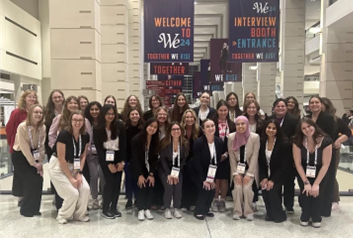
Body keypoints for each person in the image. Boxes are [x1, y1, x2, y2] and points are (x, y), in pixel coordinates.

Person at [48, 96, 92, 210]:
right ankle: (61, 209)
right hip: (62, 158)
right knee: (65, 189)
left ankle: (78, 210)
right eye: (70, 103)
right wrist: (55, 148)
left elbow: (88, 139)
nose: (73, 105)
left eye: (75, 103)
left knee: (81, 186)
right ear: (66, 105)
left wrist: (83, 153)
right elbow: (51, 135)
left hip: (76, 160)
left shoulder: (85, 121)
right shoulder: (59, 118)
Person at [292, 117, 332, 228]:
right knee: (305, 193)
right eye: (304, 128)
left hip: (320, 171)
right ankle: (305, 213)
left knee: (317, 193)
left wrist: (316, 184)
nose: (307, 130)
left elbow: (326, 164)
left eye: (309, 126)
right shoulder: (297, 141)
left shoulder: (326, 141)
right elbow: (298, 163)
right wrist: (306, 182)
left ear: (313, 126)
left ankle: (316, 215)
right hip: (303, 171)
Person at [5, 90, 38, 206]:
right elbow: (9, 129)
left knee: (31, 173)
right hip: (18, 149)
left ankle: (29, 196)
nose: (32, 99)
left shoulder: (36, 112)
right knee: (20, 174)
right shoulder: (17, 113)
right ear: (24, 98)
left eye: (34, 97)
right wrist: (13, 144)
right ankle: (21, 197)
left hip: (33, 149)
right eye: (30, 97)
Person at [93, 104, 126, 219]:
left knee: (117, 183)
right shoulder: (97, 128)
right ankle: (105, 208)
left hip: (118, 155)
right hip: (105, 157)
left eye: (112, 114)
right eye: (108, 114)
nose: (110, 116)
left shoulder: (120, 125)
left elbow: (123, 144)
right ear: (103, 114)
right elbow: (99, 149)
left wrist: (122, 161)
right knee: (109, 182)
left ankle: (114, 207)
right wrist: (108, 164)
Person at [12, 104, 45, 217]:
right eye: (36, 112)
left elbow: (41, 146)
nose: (38, 115)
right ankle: (26, 209)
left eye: (40, 112)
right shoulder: (22, 127)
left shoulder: (42, 127)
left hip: (34, 154)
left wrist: (40, 162)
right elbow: (24, 146)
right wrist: (33, 164)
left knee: (39, 181)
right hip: (21, 156)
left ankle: (35, 208)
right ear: (30, 113)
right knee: (30, 181)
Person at [268, 98, 299, 213]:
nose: (280, 108)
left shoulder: (294, 120)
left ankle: (289, 205)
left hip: (289, 155)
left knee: (289, 181)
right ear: (274, 108)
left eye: (283, 106)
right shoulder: (270, 119)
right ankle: (277, 204)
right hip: (274, 155)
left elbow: (297, 136)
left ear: (287, 108)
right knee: (276, 180)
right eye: (278, 106)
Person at [307, 96, 336, 217]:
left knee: (325, 182)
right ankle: (311, 208)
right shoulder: (307, 118)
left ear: (321, 104)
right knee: (312, 180)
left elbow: (331, 136)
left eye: (316, 102)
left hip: (325, 152)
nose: (314, 104)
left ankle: (324, 210)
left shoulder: (328, 118)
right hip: (310, 153)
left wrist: (318, 142)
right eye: (312, 103)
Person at [321, 97, 351, 210]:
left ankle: (334, 199)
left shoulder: (336, 120)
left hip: (332, 150)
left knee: (331, 174)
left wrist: (338, 141)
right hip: (317, 151)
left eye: (320, 104)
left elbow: (347, 133)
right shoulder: (314, 119)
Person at [192, 119, 225, 220]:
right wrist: (204, 179)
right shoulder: (198, 142)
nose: (211, 128)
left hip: (211, 172)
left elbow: (218, 160)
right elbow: (197, 163)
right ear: (203, 129)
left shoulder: (219, 141)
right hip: (197, 171)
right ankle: (198, 210)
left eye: (212, 126)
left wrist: (212, 178)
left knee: (212, 189)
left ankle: (206, 209)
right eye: (208, 126)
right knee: (205, 188)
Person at [228, 116, 260, 221]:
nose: (240, 126)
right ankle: (237, 211)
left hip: (250, 168)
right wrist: (235, 174)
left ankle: (248, 211)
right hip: (237, 169)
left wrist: (249, 174)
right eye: (238, 124)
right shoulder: (231, 137)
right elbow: (232, 157)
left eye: (243, 124)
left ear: (247, 125)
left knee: (246, 188)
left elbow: (255, 156)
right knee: (237, 188)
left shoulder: (255, 137)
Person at [259, 119, 291, 223]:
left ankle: (279, 214)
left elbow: (284, 165)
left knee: (272, 191)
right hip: (266, 174)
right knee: (264, 188)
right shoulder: (262, 142)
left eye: (274, 128)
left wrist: (272, 180)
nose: (271, 130)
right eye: (269, 128)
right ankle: (270, 213)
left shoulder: (284, 144)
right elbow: (261, 163)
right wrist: (264, 177)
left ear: (278, 130)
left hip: (280, 175)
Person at [130, 118, 159, 221]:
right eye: (151, 126)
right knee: (142, 185)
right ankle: (140, 209)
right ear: (146, 126)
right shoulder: (136, 140)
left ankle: (147, 208)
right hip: (137, 167)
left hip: (149, 168)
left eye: (155, 127)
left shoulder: (155, 140)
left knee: (150, 184)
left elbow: (155, 158)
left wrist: (151, 174)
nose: (152, 129)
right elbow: (135, 159)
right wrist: (140, 175)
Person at [159, 122, 188, 219]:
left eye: (178, 129)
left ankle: (176, 208)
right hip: (165, 169)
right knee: (169, 186)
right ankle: (167, 208)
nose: (176, 131)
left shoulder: (184, 143)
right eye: (173, 129)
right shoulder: (164, 142)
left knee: (178, 187)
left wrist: (177, 172)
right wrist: (168, 174)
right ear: (169, 131)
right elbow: (162, 159)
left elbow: (184, 159)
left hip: (178, 169)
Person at [211, 100, 236, 212]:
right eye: (221, 110)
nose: (223, 112)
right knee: (216, 178)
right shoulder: (212, 123)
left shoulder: (232, 124)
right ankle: (215, 200)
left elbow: (234, 141)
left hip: (227, 155)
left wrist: (226, 154)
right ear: (217, 110)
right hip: (214, 154)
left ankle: (223, 201)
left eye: (225, 110)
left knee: (224, 179)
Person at [180, 109, 203, 211]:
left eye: (191, 117)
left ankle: (194, 202)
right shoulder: (179, 130)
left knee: (194, 181)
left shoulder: (200, 131)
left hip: (195, 161)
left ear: (195, 119)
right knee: (185, 182)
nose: (189, 119)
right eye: (187, 117)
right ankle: (184, 203)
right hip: (182, 160)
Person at [243, 100, 264, 208]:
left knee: (255, 176)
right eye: (249, 107)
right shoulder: (242, 120)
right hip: (243, 152)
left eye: (254, 107)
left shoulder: (261, 122)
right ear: (246, 109)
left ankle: (254, 200)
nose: (251, 110)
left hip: (257, 152)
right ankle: (243, 200)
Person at [84, 101, 105, 210]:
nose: (94, 111)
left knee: (103, 176)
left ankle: (103, 198)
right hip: (90, 154)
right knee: (94, 176)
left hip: (103, 154)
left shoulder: (104, 122)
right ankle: (94, 199)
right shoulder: (86, 122)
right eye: (92, 109)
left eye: (96, 109)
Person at [124, 108, 144, 209]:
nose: (134, 116)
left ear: (139, 116)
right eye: (132, 114)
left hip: (138, 158)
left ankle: (137, 198)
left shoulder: (142, 128)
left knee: (137, 178)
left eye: (136, 114)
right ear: (129, 116)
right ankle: (129, 198)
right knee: (128, 179)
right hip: (128, 158)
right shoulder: (125, 128)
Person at [152, 107, 170, 209]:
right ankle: (154, 201)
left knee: (163, 180)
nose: (162, 116)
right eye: (160, 114)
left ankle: (162, 202)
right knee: (154, 179)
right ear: (156, 115)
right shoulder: (152, 126)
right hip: (153, 157)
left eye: (164, 114)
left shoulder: (169, 128)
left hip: (165, 159)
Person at [44, 90, 64, 157]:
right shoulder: (46, 111)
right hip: (51, 143)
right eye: (55, 97)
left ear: (63, 98)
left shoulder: (67, 110)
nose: (57, 99)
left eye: (59, 97)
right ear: (51, 99)